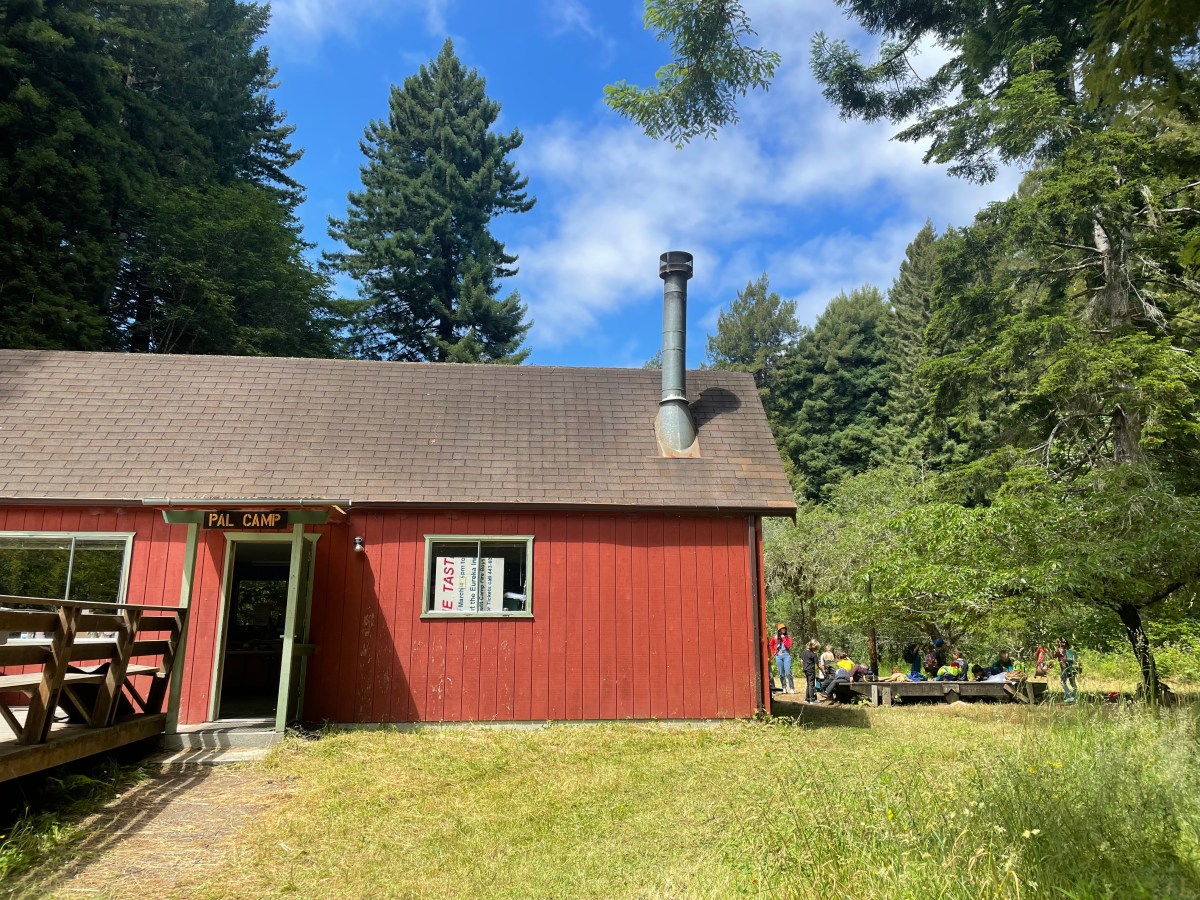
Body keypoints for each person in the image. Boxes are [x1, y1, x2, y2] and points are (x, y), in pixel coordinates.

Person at [769, 624, 795, 694]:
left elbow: (788, 646)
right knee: (781, 673)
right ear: (779, 630)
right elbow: (770, 644)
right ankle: (784, 687)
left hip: (786, 655)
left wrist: (783, 638)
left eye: (784, 628)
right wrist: (773, 652)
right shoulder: (775, 637)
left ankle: (792, 688)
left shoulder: (788, 637)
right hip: (778, 656)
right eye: (782, 629)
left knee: (788, 672)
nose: (783, 630)